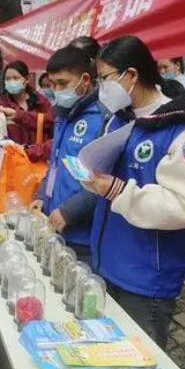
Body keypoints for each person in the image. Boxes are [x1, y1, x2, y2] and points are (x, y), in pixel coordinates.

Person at [84, 36, 185, 349]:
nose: (100, 87)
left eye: (104, 78)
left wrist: (118, 191)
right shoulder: (122, 120)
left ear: (131, 75)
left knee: (140, 359)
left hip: (147, 278)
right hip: (107, 263)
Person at [30, 46, 109, 265]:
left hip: (84, 237)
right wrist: (41, 196)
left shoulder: (103, 117)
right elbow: (55, 164)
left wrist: (69, 212)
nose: (57, 90)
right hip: (54, 225)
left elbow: (106, 181)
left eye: (63, 83)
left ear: (85, 79)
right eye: (52, 84)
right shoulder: (62, 115)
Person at [0, 60, 54, 162]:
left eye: (15, 78)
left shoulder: (41, 102)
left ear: (26, 80)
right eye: (8, 79)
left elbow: (51, 126)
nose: (11, 82)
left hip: (39, 160)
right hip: (12, 161)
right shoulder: (0, 105)